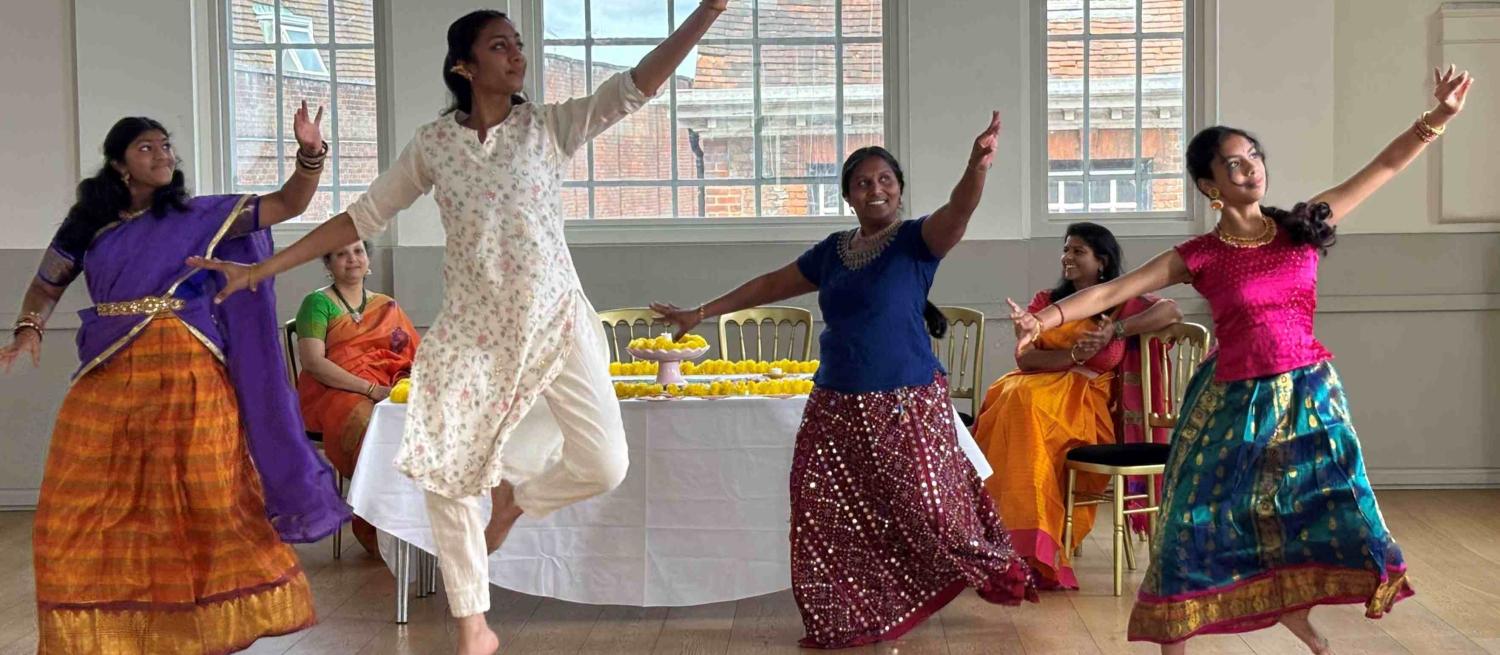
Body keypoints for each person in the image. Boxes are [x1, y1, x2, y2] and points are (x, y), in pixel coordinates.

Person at [189, 5, 730, 654]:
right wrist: (264, 270)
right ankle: (473, 621)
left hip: (559, 319)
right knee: (446, 471)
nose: (517, 55)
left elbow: (640, 82)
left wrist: (710, 9)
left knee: (605, 463)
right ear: (465, 66)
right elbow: (360, 217)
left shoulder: (548, 129)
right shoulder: (434, 145)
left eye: (519, 44)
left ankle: (516, 501)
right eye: (500, 46)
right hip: (475, 333)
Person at [1008, 67, 1474, 653]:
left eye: (1254, 155)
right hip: (1232, 397)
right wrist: (1043, 320)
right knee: (1192, 517)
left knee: (1326, 505)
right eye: (1234, 162)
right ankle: (1173, 637)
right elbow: (1108, 292)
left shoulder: (1300, 227)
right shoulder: (1198, 255)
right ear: (1210, 185)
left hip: (1308, 391)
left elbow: (1379, 170)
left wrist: (1438, 118)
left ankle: (1293, 609)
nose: (1251, 166)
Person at [653, 113, 1038, 649]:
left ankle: (997, 566)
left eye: (885, 180)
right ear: (848, 197)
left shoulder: (916, 241)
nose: (875, 189)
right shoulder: (833, 251)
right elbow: (770, 283)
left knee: (930, 509)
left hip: (906, 400)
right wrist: (702, 311)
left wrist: (976, 166)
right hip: (835, 402)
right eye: (863, 183)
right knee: (825, 516)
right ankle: (851, 616)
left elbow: (959, 210)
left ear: (899, 191)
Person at [0, 107, 348, 653]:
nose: (163, 155)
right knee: (76, 507)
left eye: (166, 146)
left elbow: (287, 204)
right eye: (147, 148)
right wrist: (28, 330)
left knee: (208, 502)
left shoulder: (197, 215)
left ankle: (203, 631)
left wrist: (310, 154)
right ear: (119, 165)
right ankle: (109, 631)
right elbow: (45, 287)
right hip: (110, 373)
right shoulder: (86, 225)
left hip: (190, 378)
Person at [972, 221, 1181, 589]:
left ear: (1102, 262)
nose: (1067, 257)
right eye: (1065, 249)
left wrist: (1114, 331)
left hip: (1085, 408)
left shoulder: (1121, 305)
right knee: (1010, 401)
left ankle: (1030, 552)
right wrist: (1072, 354)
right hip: (1034, 395)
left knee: (1022, 407)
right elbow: (1026, 361)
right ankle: (1003, 546)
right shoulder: (1046, 302)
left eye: (1077, 251)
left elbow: (1171, 311)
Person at [295, 239, 419, 555]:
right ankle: (375, 527)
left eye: (358, 252)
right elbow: (313, 363)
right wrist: (369, 389)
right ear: (328, 264)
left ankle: (413, 524)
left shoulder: (387, 305)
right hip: (332, 392)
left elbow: (412, 356)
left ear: (368, 259)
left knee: (412, 422)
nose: (352, 259)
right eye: (341, 253)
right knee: (367, 424)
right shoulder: (317, 303)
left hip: (387, 386)